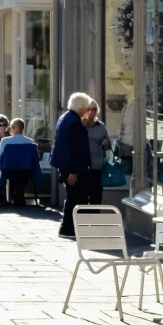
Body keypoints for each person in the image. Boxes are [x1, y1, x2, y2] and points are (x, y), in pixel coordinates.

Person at [52, 93, 96, 228]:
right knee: (76, 197)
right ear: (81, 107)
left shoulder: (66, 117)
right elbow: (74, 148)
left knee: (74, 195)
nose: (88, 111)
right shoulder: (74, 122)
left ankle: (69, 226)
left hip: (65, 164)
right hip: (71, 167)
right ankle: (68, 227)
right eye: (87, 108)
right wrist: (74, 171)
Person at [0, 119, 40, 207]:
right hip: (26, 171)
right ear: (23, 128)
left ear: (13, 128)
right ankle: (17, 196)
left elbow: (0, 158)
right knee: (19, 176)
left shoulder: (5, 141)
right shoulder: (31, 142)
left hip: (8, 171)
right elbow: (36, 158)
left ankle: (1, 197)